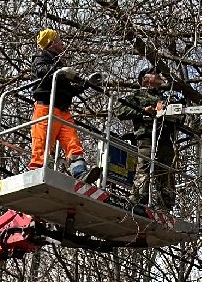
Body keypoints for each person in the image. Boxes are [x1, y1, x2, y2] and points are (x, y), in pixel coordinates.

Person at [27, 29, 98, 180]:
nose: (62, 43)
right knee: (42, 143)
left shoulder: (58, 63)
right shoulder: (41, 57)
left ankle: (80, 171)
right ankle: (37, 172)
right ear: (52, 43)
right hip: (46, 107)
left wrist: (87, 84)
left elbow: (69, 91)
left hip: (63, 110)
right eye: (59, 40)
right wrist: (61, 71)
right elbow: (41, 72)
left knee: (72, 142)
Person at [115, 64, 182, 209]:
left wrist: (174, 112)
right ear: (144, 79)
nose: (158, 75)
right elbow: (119, 110)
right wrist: (142, 111)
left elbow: (179, 119)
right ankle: (137, 201)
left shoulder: (165, 99)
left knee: (166, 172)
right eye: (153, 73)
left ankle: (165, 205)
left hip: (164, 139)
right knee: (145, 167)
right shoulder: (136, 96)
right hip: (146, 137)